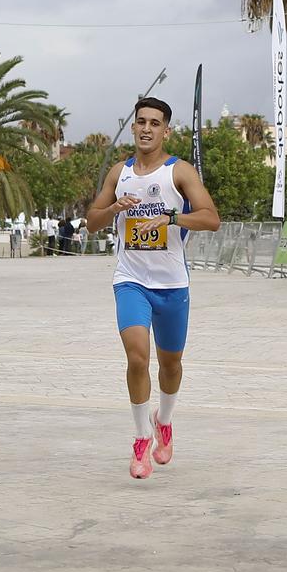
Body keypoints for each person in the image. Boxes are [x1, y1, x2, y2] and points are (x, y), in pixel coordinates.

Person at [83, 96, 221, 480]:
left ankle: (165, 420)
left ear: (166, 130)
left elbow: (212, 219)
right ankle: (142, 437)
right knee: (138, 358)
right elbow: (91, 222)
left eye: (154, 123)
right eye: (140, 121)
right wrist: (113, 210)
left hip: (172, 285)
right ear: (133, 127)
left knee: (172, 364)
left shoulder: (179, 172)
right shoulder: (119, 172)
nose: (146, 128)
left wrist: (170, 217)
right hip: (131, 281)